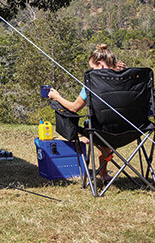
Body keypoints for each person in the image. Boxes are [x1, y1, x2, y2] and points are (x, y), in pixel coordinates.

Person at [46, 44, 126, 182]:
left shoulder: (92, 83)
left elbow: (74, 108)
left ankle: (102, 166)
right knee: (107, 128)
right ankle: (102, 166)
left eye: (92, 68)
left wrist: (57, 97)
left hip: (102, 130)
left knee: (101, 129)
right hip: (130, 130)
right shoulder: (127, 78)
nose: (91, 72)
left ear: (100, 65)